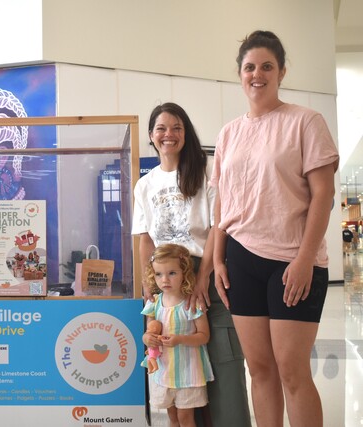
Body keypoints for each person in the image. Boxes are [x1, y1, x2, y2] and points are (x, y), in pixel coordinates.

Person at [211, 30, 339, 427]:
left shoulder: (305, 121)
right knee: (260, 369)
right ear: (240, 74)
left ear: (282, 72)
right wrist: (217, 260)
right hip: (240, 258)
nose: (257, 74)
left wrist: (305, 260)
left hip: (292, 261)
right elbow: (222, 201)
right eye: (249, 67)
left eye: (267, 66)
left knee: (292, 373)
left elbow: (323, 195)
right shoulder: (229, 133)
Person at [132, 102, 250, 426]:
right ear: (151, 135)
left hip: (206, 272)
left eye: (177, 127)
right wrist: (149, 286)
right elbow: (145, 240)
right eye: (161, 128)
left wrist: (203, 277)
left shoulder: (205, 170)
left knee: (224, 360)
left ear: (186, 133)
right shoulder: (145, 185)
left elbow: (217, 226)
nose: (168, 134)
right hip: (166, 280)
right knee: (179, 363)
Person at [140, 243, 214, 427]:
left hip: (188, 372)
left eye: (172, 273)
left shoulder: (191, 304)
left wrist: (180, 339)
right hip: (164, 371)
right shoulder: (154, 303)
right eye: (158, 274)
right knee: (172, 417)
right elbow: (149, 332)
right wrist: (147, 338)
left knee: (185, 418)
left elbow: (204, 336)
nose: (165, 279)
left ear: (184, 273)